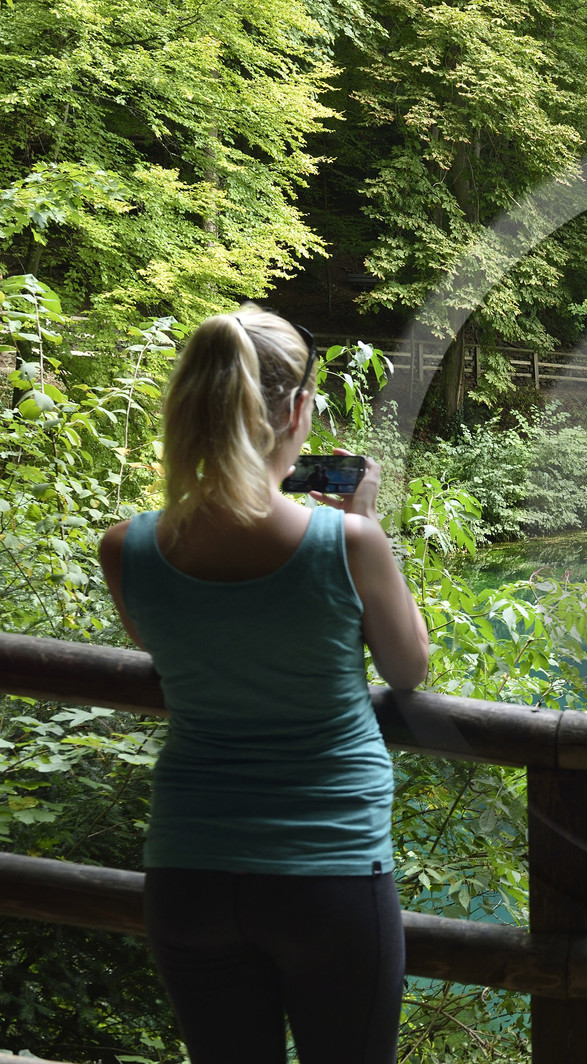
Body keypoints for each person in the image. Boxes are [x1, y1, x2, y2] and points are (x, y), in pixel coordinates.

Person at [98, 304, 429, 1064]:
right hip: (331, 869)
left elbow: (173, 648)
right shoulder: (345, 541)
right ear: (298, 410)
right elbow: (408, 669)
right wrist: (364, 527)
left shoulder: (127, 549)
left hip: (188, 868)